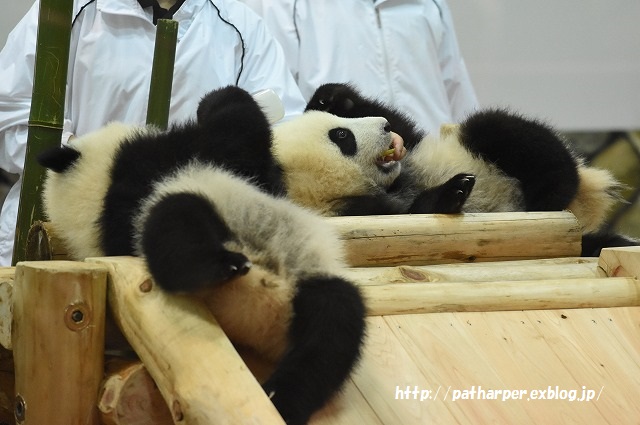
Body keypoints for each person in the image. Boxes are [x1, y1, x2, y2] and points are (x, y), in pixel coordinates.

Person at [0, 0, 307, 266]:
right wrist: (81, 161)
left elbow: (282, 133)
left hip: (189, 240)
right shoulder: (65, 12)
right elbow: (9, 112)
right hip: (63, 232)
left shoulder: (242, 28)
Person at [241, 0, 478, 133]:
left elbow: (456, 89)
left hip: (433, 170)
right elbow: (282, 109)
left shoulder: (431, 4)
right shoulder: (284, 6)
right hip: (349, 179)